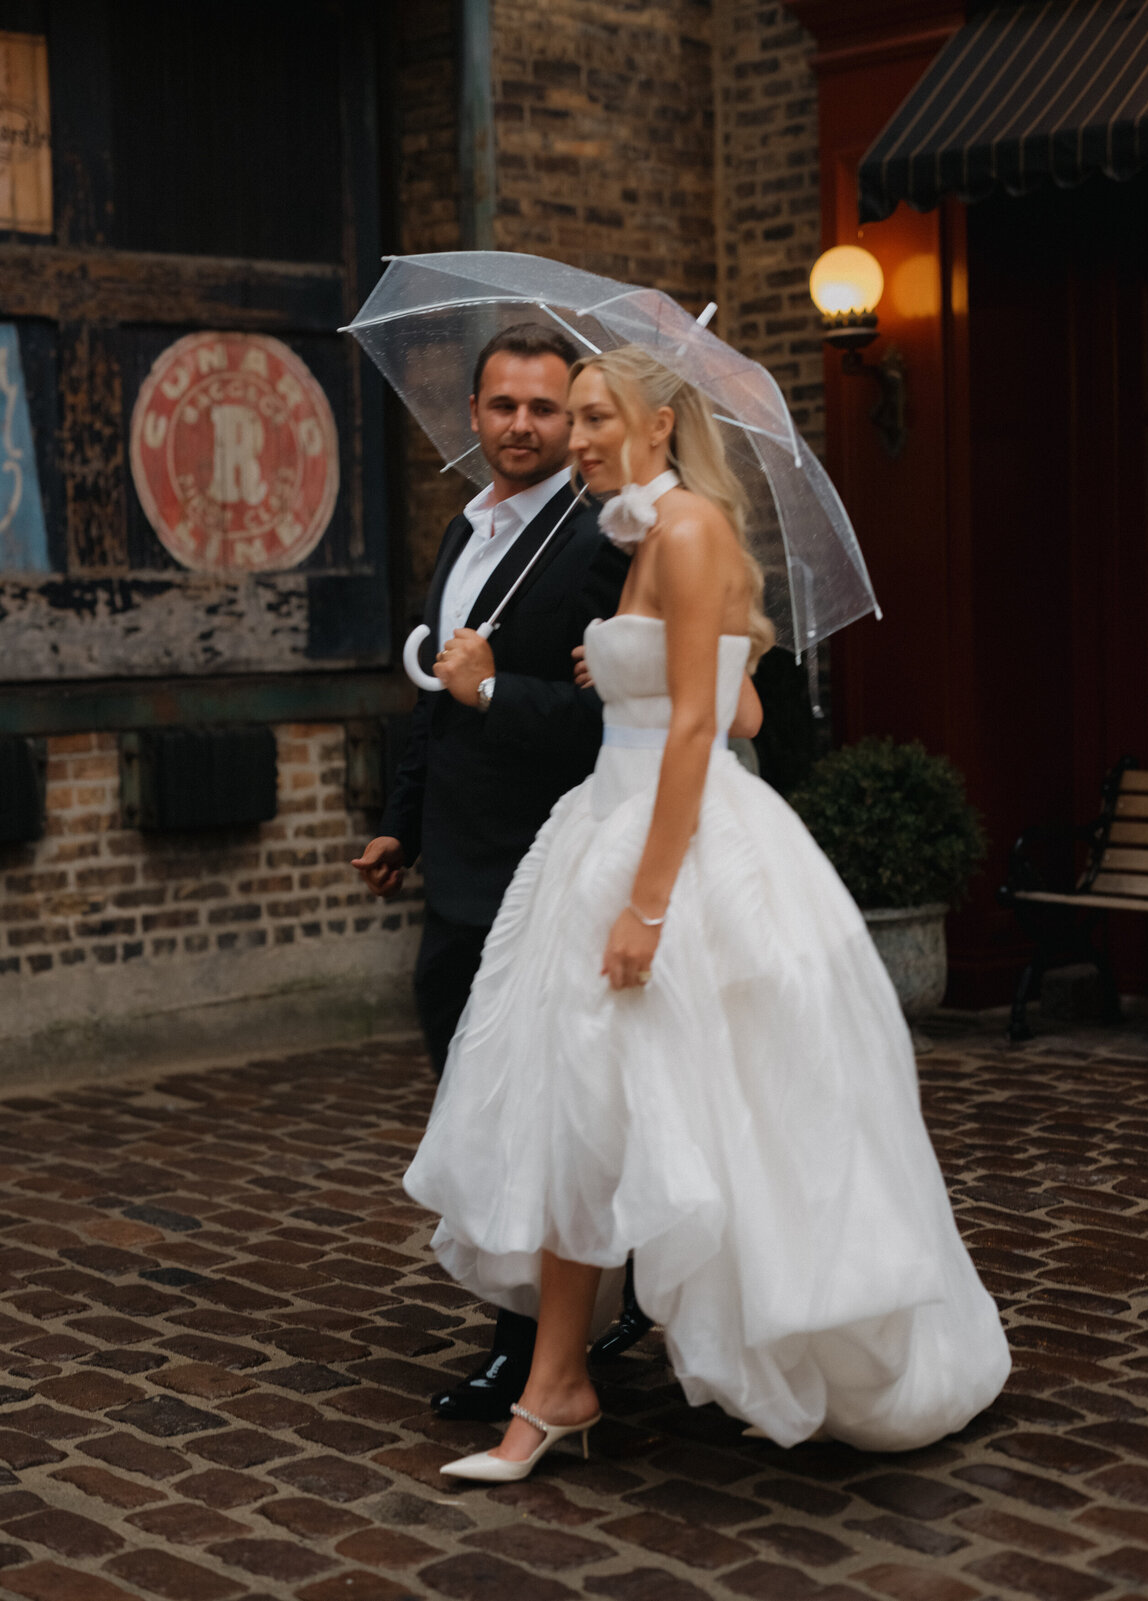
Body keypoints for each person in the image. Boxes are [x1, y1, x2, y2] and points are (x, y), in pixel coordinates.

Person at [402, 345, 1011, 1481]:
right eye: (571, 417)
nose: (578, 438)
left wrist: (647, 904)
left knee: (742, 1117)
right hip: (602, 824)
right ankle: (556, 1385)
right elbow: (736, 702)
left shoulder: (685, 533)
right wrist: (630, 667)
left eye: (595, 415)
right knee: (573, 1111)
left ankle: (699, 1352)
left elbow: (694, 736)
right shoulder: (642, 536)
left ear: (660, 419)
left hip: (667, 848)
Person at [352, 324, 631, 1422]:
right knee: (476, 1099)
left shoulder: (604, 539)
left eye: (546, 409)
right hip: (455, 862)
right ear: (473, 414)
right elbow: (434, 691)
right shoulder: (463, 531)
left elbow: (615, 718)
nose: (524, 425)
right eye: (504, 405)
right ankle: (586, 1305)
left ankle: (530, 1352)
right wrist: (399, 820)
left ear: (574, 421)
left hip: (541, 865)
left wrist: (489, 692)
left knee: (530, 1117)